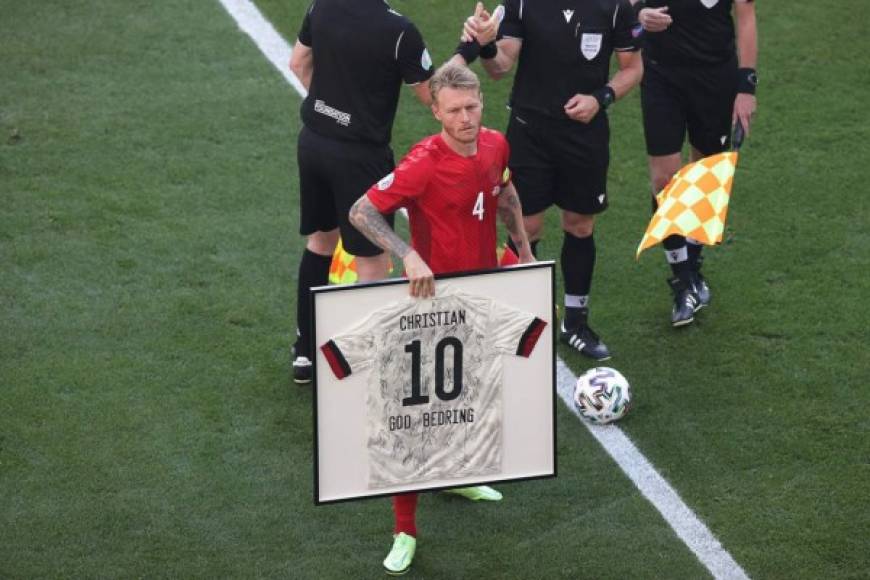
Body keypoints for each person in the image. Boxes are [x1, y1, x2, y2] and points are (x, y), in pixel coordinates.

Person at [349, 63, 534, 576]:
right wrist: (407, 253)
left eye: (472, 107)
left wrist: (522, 248)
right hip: (429, 307)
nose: (465, 118)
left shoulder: (496, 146)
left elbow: (504, 192)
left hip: (482, 295)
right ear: (436, 111)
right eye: (453, 111)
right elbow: (362, 211)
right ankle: (405, 529)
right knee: (415, 419)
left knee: (469, 396)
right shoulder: (422, 163)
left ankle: (455, 474)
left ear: (481, 103)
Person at [460, 0, 643, 360]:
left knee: (580, 225)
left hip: (585, 135)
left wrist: (600, 97)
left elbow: (632, 68)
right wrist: (486, 45)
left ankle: (575, 322)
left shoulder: (616, 6)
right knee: (524, 227)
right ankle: (516, 319)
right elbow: (501, 66)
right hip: (531, 132)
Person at [287, 0, 435, 383]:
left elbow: (298, 63)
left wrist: (330, 111)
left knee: (320, 242)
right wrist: (469, 49)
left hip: (314, 143)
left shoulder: (322, 7)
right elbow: (433, 96)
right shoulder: (400, 30)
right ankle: (360, 365)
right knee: (373, 261)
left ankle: (305, 351)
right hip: (361, 159)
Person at [635, 0, 758, 326]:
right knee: (665, 180)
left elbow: (745, 16)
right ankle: (682, 279)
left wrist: (746, 86)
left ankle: (693, 261)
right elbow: (622, 6)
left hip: (715, 76)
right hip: (661, 75)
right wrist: (639, 15)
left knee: (704, 174)